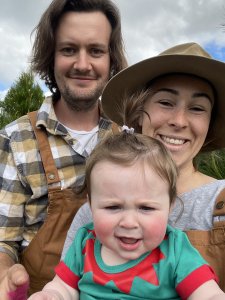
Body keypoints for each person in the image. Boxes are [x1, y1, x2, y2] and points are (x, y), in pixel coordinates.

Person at [62, 42, 225, 291]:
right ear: (139, 112)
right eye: (166, 103)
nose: (179, 121)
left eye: (197, 108)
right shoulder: (91, 214)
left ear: (209, 123)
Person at [0, 0, 127, 297]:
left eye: (96, 50)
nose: (83, 64)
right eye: (69, 49)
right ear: (50, 57)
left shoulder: (130, 137)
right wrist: (7, 274)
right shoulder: (15, 139)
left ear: (111, 59)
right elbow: (3, 240)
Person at [29, 131, 225, 299]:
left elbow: (207, 293)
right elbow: (63, 287)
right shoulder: (84, 244)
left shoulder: (176, 250)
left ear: (170, 206)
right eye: (113, 207)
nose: (129, 222)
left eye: (146, 208)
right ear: (91, 204)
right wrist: (52, 294)